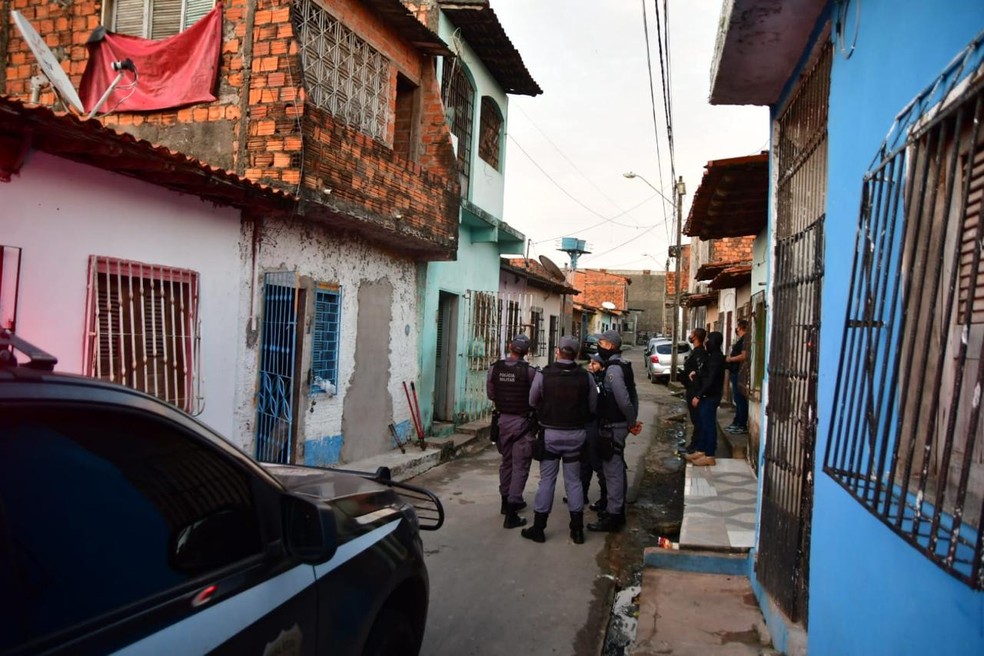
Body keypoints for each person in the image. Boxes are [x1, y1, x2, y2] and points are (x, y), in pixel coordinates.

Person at [523, 335, 598, 544]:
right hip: (575, 435)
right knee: (574, 481)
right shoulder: (586, 376)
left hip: (550, 435)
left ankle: (538, 528)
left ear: (558, 351)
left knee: (547, 480)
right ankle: (577, 530)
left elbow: (532, 400)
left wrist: (545, 411)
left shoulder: (544, 374)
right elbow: (593, 405)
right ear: (576, 354)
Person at [587, 330, 641, 533]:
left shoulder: (614, 369)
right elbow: (633, 396)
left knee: (613, 471)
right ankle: (617, 510)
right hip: (619, 424)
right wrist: (632, 419)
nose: (598, 344)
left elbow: (624, 399)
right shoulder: (624, 365)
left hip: (613, 426)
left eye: (601, 342)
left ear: (609, 345)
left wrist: (631, 421)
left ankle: (614, 514)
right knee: (617, 466)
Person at [486, 334, 538, 529]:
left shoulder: (494, 368)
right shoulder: (530, 372)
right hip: (522, 424)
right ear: (527, 352)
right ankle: (512, 512)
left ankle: (504, 500)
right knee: (520, 466)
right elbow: (535, 399)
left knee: (506, 463)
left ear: (510, 347)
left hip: (502, 424)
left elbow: (491, 393)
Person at [687, 331, 726, 467]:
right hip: (706, 395)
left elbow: (711, 379)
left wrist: (698, 395)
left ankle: (709, 455)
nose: (706, 343)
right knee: (703, 424)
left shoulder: (716, 358)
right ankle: (701, 450)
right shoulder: (712, 356)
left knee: (708, 425)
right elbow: (706, 372)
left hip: (710, 396)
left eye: (708, 340)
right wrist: (697, 373)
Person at [581, 353, 607, 512]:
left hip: (597, 428)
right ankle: (581, 493)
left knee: (598, 465)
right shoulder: (590, 380)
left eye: (595, 364)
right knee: (584, 463)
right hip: (588, 426)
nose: (591, 366)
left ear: (602, 367)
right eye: (590, 363)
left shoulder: (602, 382)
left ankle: (605, 499)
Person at [680, 328, 707, 456]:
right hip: (691, 390)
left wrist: (697, 394)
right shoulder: (695, 351)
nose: (690, 336)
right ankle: (695, 444)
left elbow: (701, 373)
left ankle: (696, 445)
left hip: (695, 392)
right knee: (695, 419)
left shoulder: (700, 353)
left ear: (695, 337)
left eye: (691, 334)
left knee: (697, 420)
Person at [725, 319, 749, 434]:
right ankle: (737, 422)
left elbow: (744, 356)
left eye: (737, 327)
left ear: (741, 327)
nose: (736, 329)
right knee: (737, 399)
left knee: (740, 400)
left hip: (739, 373)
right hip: (736, 372)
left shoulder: (745, 339)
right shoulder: (742, 340)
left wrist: (730, 359)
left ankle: (741, 424)